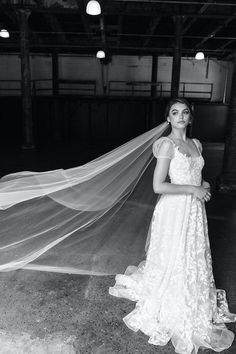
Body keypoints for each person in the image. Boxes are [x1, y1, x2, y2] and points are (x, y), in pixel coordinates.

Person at [109, 98, 236, 354]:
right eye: (174, 112)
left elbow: (197, 177)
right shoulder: (166, 144)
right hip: (174, 209)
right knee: (174, 255)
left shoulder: (196, 144)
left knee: (191, 254)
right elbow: (159, 186)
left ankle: (191, 292)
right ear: (168, 118)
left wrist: (205, 187)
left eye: (185, 112)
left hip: (194, 210)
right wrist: (193, 189)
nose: (180, 116)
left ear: (190, 118)